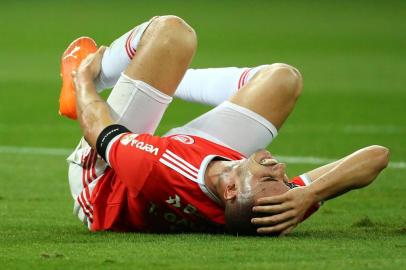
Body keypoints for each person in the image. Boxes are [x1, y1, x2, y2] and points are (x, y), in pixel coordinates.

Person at [62, 16, 389, 235]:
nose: (281, 169)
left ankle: (98, 71)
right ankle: (164, 78)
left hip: (106, 181)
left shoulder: (160, 168)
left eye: (269, 177)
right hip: (208, 160)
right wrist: (310, 194)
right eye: (285, 181)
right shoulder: (270, 205)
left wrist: (81, 81)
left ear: (233, 189)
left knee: (172, 33)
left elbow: (99, 131)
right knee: (283, 81)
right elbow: (377, 156)